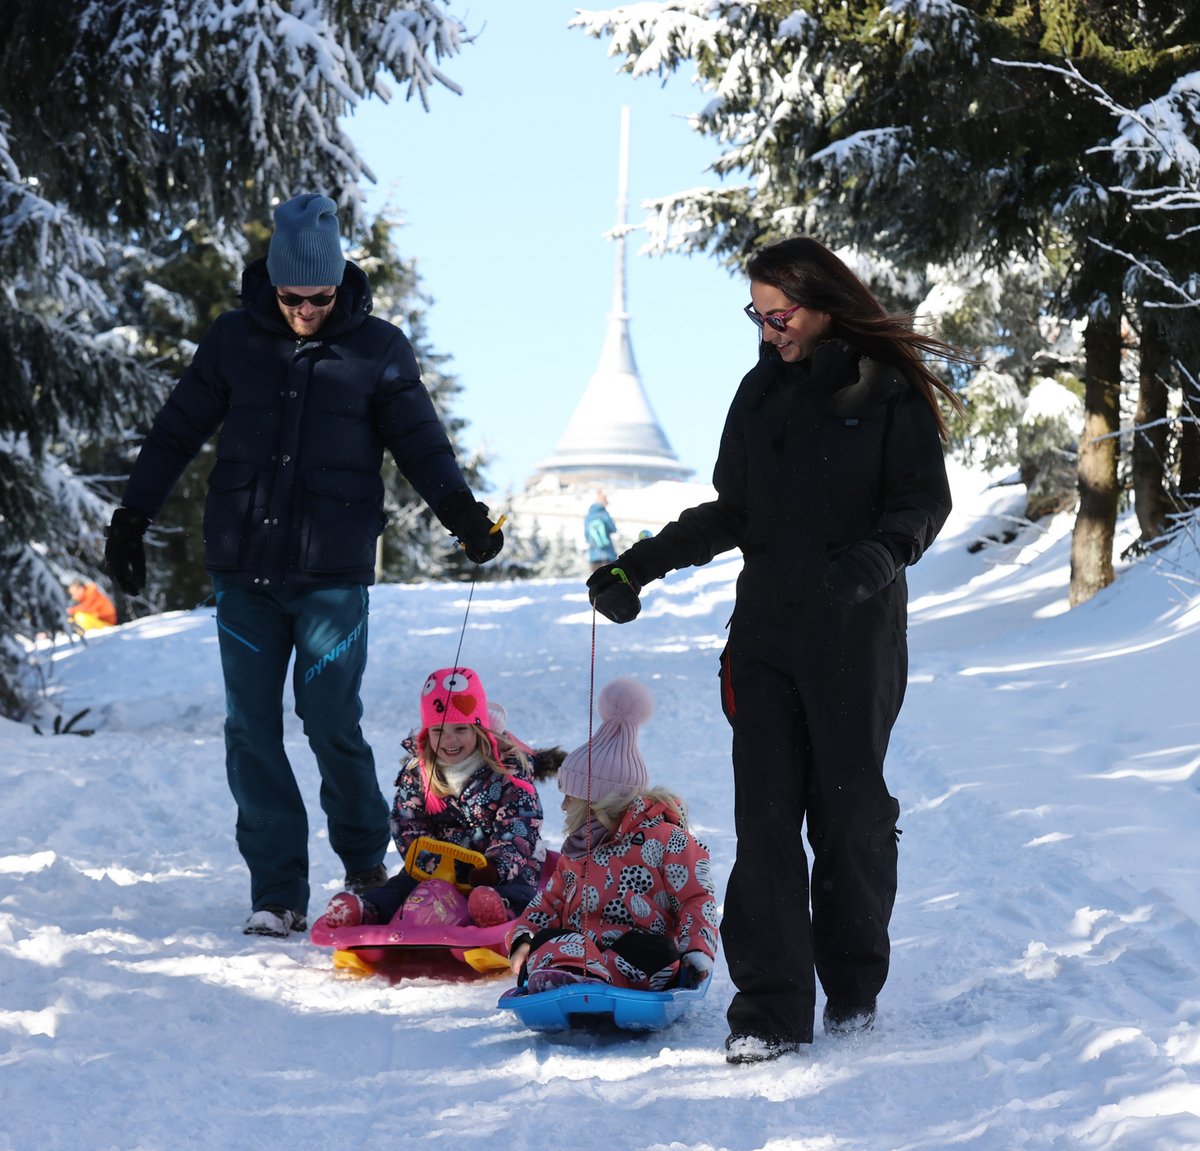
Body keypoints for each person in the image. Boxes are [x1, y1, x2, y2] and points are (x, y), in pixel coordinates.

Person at [587, 236, 967, 1063]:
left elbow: (921, 498)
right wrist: (637, 564)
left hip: (855, 636)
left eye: (780, 314)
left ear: (821, 298)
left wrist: (882, 552)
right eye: (757, 318)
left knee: (850, 814)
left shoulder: (886, 389)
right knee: (764, 819)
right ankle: (767, 1009)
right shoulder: (758, 395)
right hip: (762, 638)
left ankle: (854, 984)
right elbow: (733, 512)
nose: (769, 332)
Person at [102, 193, 504, 938]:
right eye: (291, 298)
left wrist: (463, 514)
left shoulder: (378, 349)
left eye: (319, 297)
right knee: (250, 727)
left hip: (333, 579)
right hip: (244, 572)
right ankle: (278, 887)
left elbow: (420, 443)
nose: (305, 310)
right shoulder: (234, 341)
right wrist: (133, 514)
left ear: (339, 282)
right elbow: (177, 428)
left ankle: (362, 862)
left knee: (330, 724)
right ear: (274, 284)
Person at [505, 678, 719, 995]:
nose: (563, 806)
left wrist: (696, 952)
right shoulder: (577, 850)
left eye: (572, 797)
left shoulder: (666, 840)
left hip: (638, 956)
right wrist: (523, 938)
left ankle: (586, 976)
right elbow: (547, 904)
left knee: (655, 953)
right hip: (579, 950)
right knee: (554, 942)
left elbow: (696, 900)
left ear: (600, 802)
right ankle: (575, 974)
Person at [322, 666, 544, 930]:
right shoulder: (419, 772)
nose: (449, 740)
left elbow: (519, 826)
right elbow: (407, 823)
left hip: (496, 868)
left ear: (479, 728)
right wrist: (431, 864)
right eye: (438, 731)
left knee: (519, 890)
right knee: (399, 888)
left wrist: (494, 868)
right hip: (437, 868)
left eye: (460, 729)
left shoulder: (506, 771)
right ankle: (367, 911)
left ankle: (499, 912)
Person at [583, 490, 618, 570]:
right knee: (611, 581)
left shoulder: (588, 517)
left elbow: (586, 536)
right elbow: (613, 529)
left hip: (594, 556)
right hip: (609, 555)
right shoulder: (604, 514)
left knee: (596, 581)